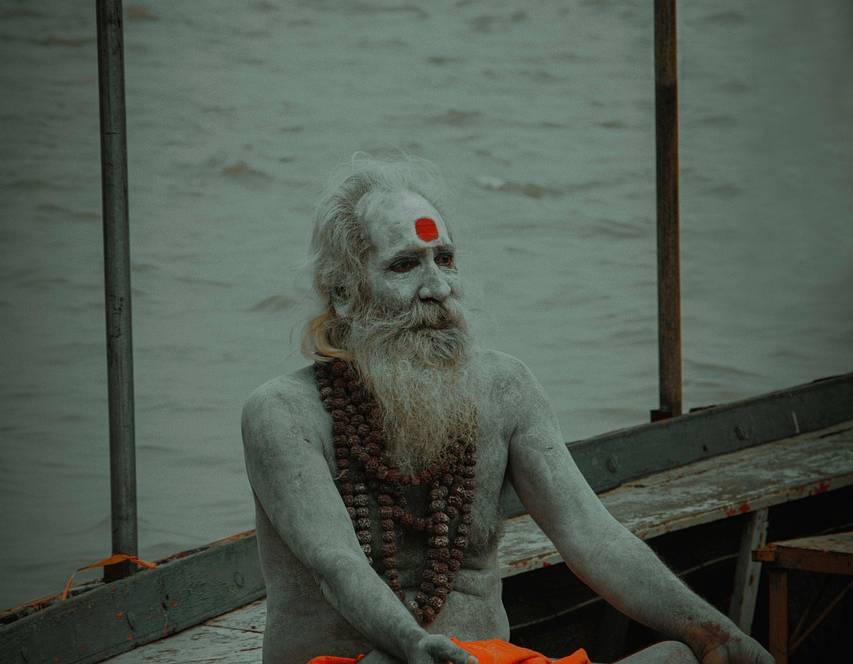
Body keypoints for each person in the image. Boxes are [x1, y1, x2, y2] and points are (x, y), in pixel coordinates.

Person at [241, 156, 774, 664]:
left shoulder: (503, 389)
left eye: (444, 259)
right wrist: (414, 645)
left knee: (683, 655)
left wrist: (715, 631)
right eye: (405, 265)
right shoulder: (284, 415)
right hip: (360, 659)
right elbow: (338, 565)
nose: (439, 288)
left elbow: (594, 537)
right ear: (343, 296)